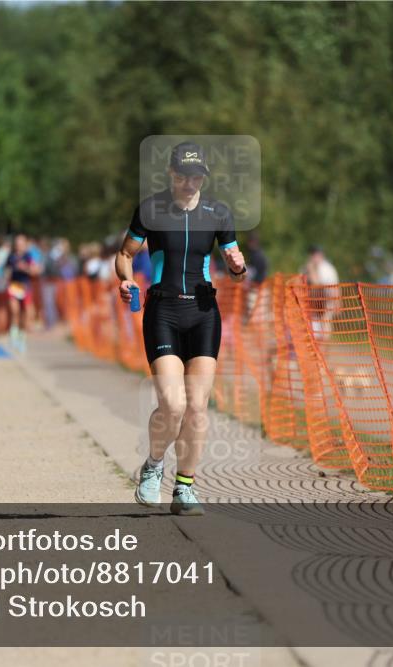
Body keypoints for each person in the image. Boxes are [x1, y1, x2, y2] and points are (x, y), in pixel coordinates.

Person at [116, 142, 247, 516]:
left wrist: (238, 266)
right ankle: (154, 465)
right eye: (183, 175)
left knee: (197, 409)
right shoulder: (151, 210)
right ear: (171, 174)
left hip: (204, 313)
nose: (190, 182)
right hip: (163, 312)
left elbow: (237, 270)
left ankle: (185, 487)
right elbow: (125, 254)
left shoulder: (218, 213)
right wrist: (125, 281)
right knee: (172, 405)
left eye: (197, 176)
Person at [5, 233, 41, 353]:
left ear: (25, 245)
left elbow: (35, 271)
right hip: (14, 286)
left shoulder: (28, 256)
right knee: (14, 310)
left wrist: (25, 268)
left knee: (25, 312)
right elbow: (6, 271)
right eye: (17, 244)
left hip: (25, 287)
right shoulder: (11, 257)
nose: (19, 246)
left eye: (21, 244)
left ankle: (22, 336)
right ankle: (13, 332)